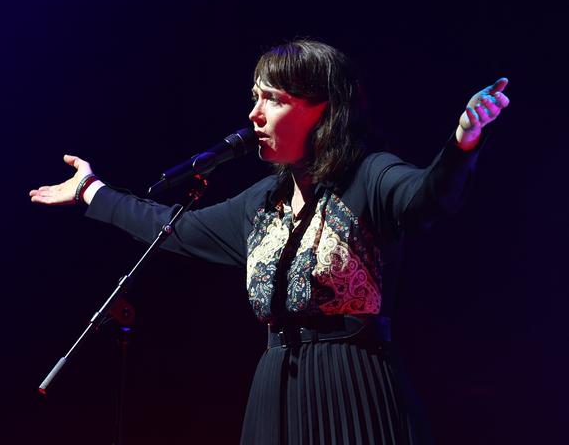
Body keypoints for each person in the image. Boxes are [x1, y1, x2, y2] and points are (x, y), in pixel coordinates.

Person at [29, 40, 509, 444]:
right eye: (254, 97)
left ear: (323, 108)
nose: (254, 114)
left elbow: (426, 198)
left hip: (353, 382)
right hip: (275, 385)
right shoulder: (262, 201)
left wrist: (463, 142)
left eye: (272, 99)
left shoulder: (370, 174)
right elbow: (172, 230)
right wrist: (92, 192)